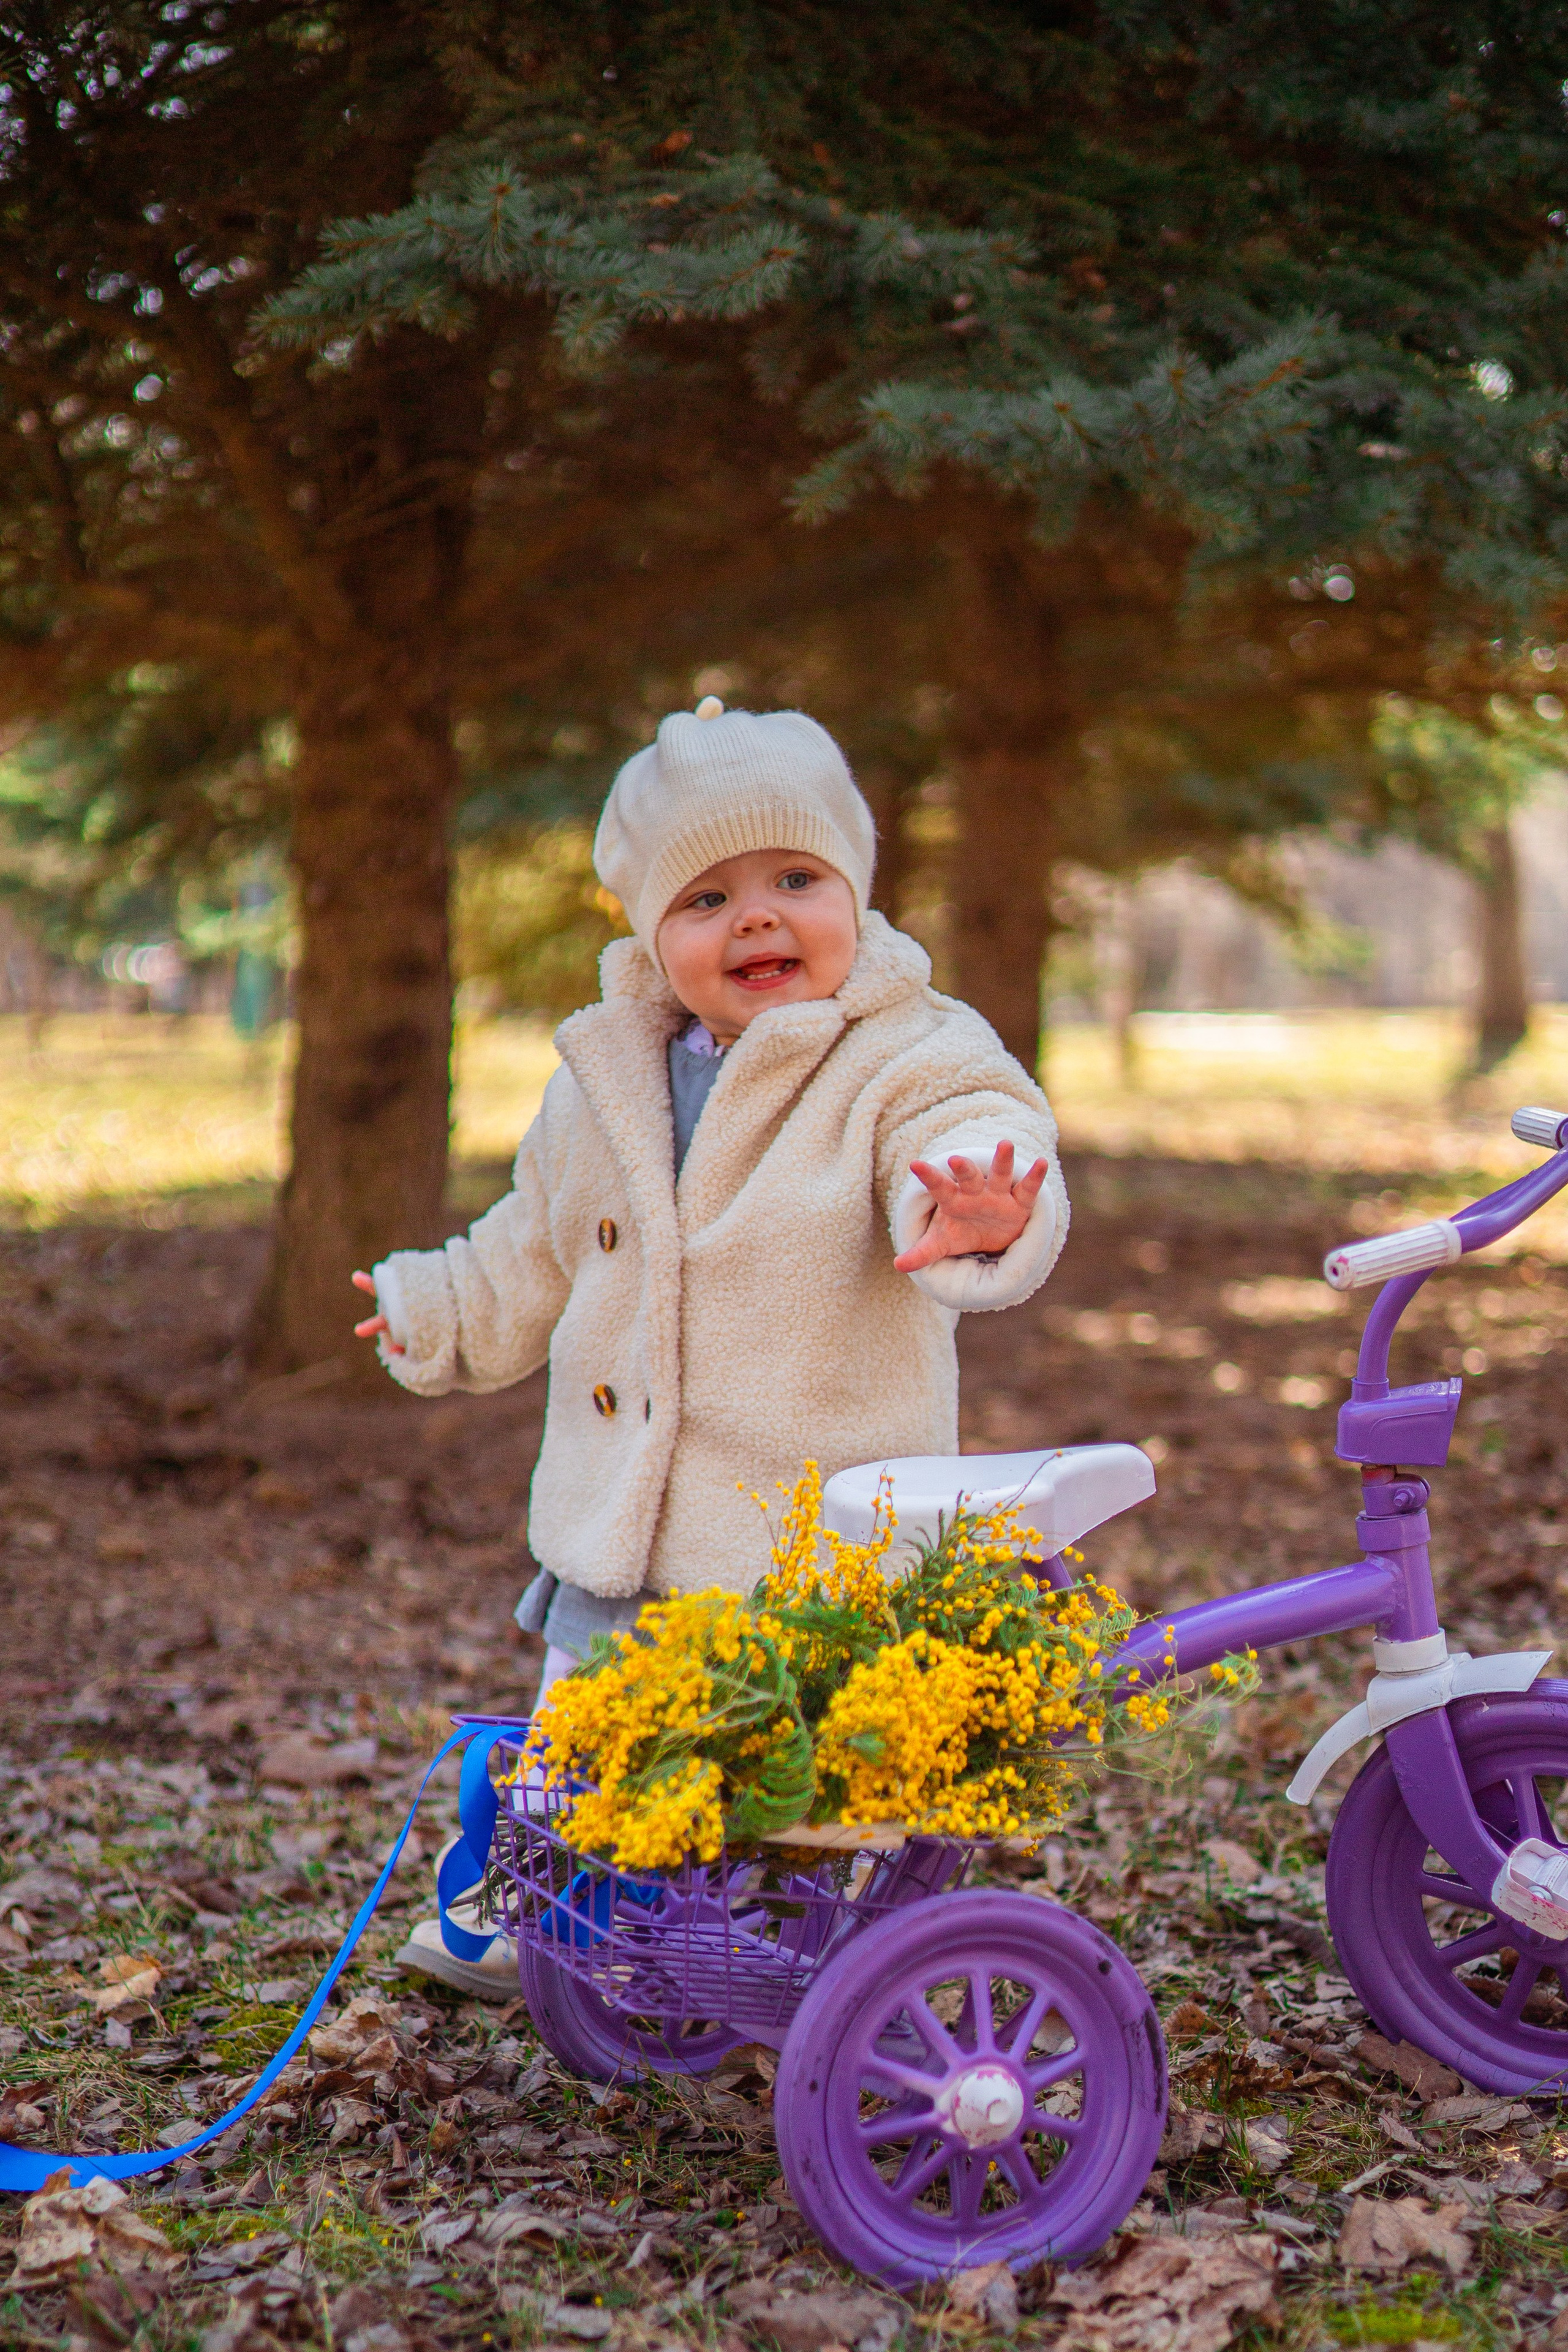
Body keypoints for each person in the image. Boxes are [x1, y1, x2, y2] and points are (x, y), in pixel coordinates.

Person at [352, 698, 1069, 1994]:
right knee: (591, 1728)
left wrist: (973, 1195)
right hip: (624, 1519)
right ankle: (553, 1918)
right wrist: (442, 1309)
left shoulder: (902, 1049)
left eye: (796, 879)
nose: (756, 917)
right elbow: (536, 1243)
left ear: (853, 891)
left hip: (801, 1523)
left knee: (772, 1766)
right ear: (648, 933)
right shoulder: (606, 1078)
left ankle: (764, 1936)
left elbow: (965, 1122)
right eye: (706, 897)